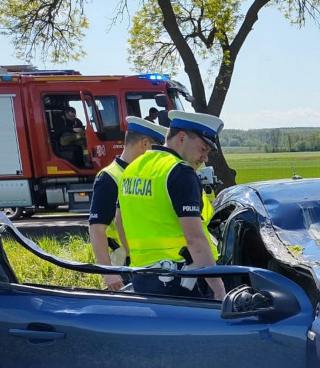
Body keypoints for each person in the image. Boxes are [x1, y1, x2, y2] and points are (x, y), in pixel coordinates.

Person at [118, 111, 227, 300]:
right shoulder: (180, 172)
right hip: (177, 280)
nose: (205, 158)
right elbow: (195, 239)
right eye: (203, 149)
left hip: (141, 277)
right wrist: (218, 288)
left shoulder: (132, 169)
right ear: (182, 138)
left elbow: (119, 222)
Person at [88, 116, 167, 290]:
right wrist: (109, 273)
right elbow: (96, 228)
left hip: (148, 264)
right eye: (157, 149)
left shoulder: (146, 175)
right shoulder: (109, 177)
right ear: (145, 144)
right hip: (123, 267)